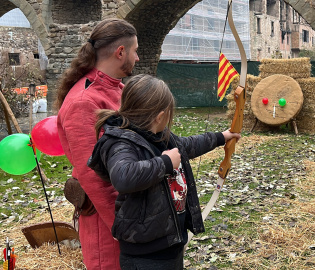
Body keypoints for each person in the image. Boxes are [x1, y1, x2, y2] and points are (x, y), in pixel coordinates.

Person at [86, 74, 241, 269]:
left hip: (170, 243)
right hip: (145, 255)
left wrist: (222, 137)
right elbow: (123, 176)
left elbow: (188, 145)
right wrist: (166, 162)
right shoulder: (120, 142)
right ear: (160, 116)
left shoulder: (160, 136)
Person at [55, 18, 139, 270]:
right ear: (120, 52)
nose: (137, 58)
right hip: (109, 218)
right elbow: (92, 174)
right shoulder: (84, 101)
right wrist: (122, 224)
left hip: (132, 205)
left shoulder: (119, 89)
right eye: (135, 51)